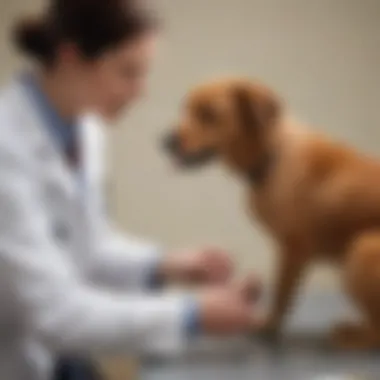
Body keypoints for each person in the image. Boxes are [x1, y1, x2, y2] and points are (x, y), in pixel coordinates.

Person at [0, 0, 260, 379]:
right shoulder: (7, 147)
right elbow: (53, 312)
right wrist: (191, 314)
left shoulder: (85, 130)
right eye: (128, 73)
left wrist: (168, 264)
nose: (141, 92)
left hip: (56, 352)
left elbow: (86, 245)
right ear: (71, 58)